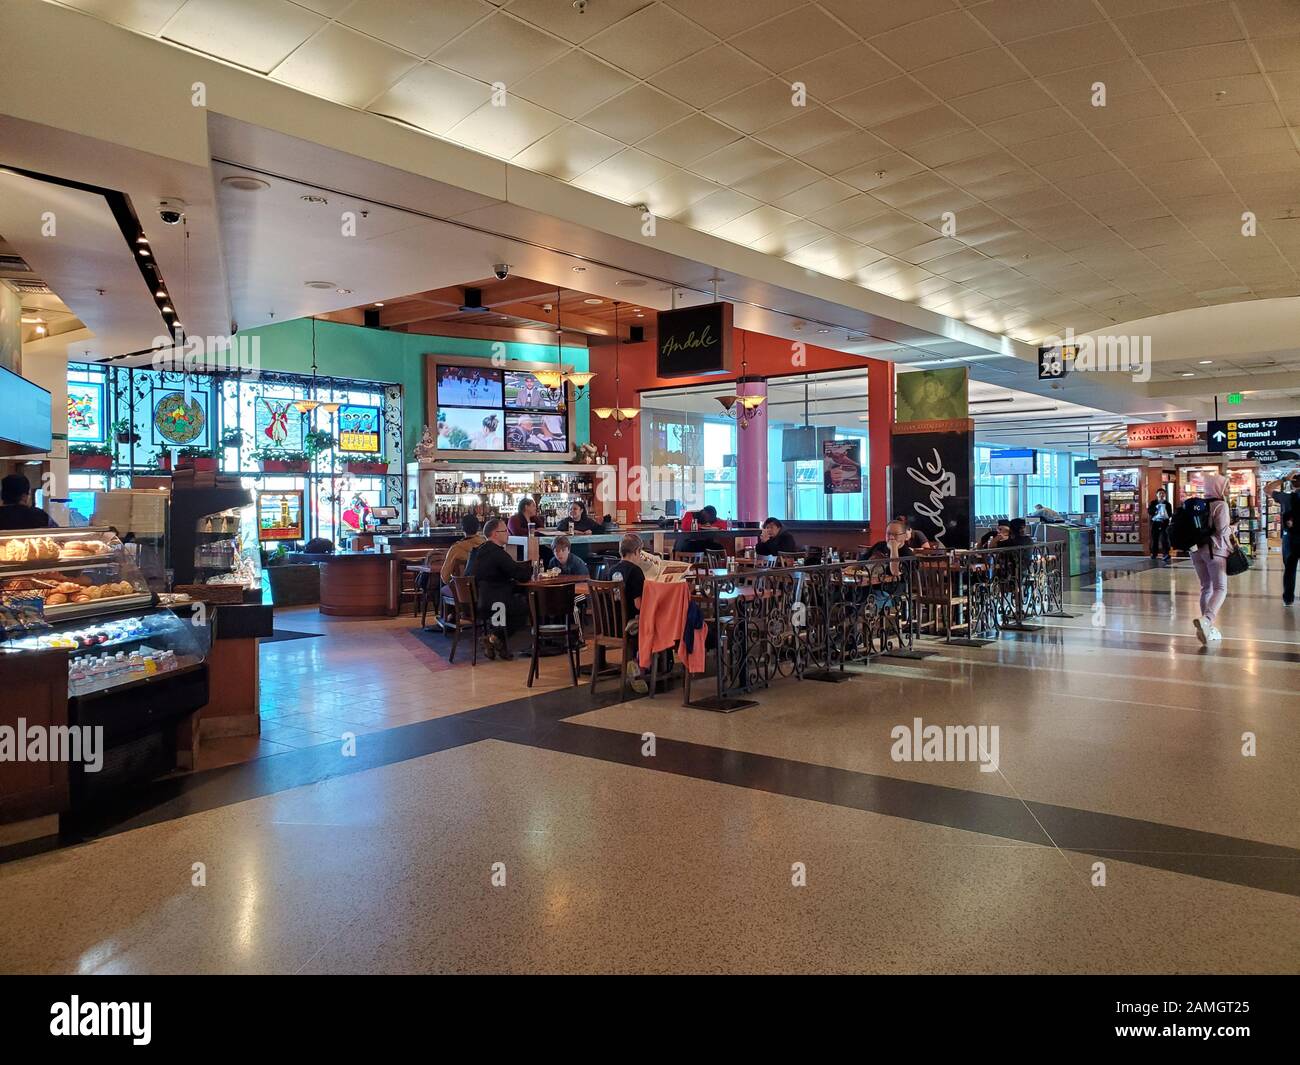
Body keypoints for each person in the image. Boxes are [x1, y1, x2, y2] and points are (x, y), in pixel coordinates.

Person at [466, 517, 534, 659]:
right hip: (494, 603)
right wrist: (532, 567)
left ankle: (495, 643)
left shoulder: (477, 551)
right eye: (505, 531)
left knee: (510, 604)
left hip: (475, 602)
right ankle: (494, 638)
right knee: (524, 608)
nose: (508, 534)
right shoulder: (497, 553)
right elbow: (519, 574)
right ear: (495, 534)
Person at [1190, 473, 1235, 645]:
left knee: (1206, 588)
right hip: (1215, 551)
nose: (1228, 490)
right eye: (1226, 486)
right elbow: (1222, 532)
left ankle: (1207, 628)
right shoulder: (1220, 505)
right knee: (1220, 588)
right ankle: (1207, 620)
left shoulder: (1198, 505)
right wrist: (1234, 528)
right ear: (1219, 488)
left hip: (1196, 551)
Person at [609, 533, 648, 694]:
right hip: (629, 626)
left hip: (611, 625)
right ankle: (642, 667)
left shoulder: (610, 571)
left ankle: (634, 661)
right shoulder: (636, 571)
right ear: (637, 551)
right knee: (656, 624)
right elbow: (638, 604)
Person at [1271, 474, 1297, 605]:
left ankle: (1288, 599)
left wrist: (1284, 479)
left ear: (1292, 484)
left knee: (1290, 570)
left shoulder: (1286, 498)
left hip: (1290, 538)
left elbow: (1266, 489)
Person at [440, 514, 485, 585]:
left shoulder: (455, 549)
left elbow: (445, 577)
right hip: (482, 589)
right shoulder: (486, 545)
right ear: (478, 527)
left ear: (462, 528)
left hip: (461, 590)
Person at [1148, 489, 1173, 562]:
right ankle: (1154, 553)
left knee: (1164, 538)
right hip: (1155, 523)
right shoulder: (1153, 503)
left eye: (1163, 493)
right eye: (1160, 493)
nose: (1161, 495)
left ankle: (1166, 554)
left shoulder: (1167, 504)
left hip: (1164, 523)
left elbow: (1170, 513)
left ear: (1165, 495)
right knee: (1154, 538)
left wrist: (1165, 517)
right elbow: (1149, 511)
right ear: (1157, 494)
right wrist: (1156, 509)